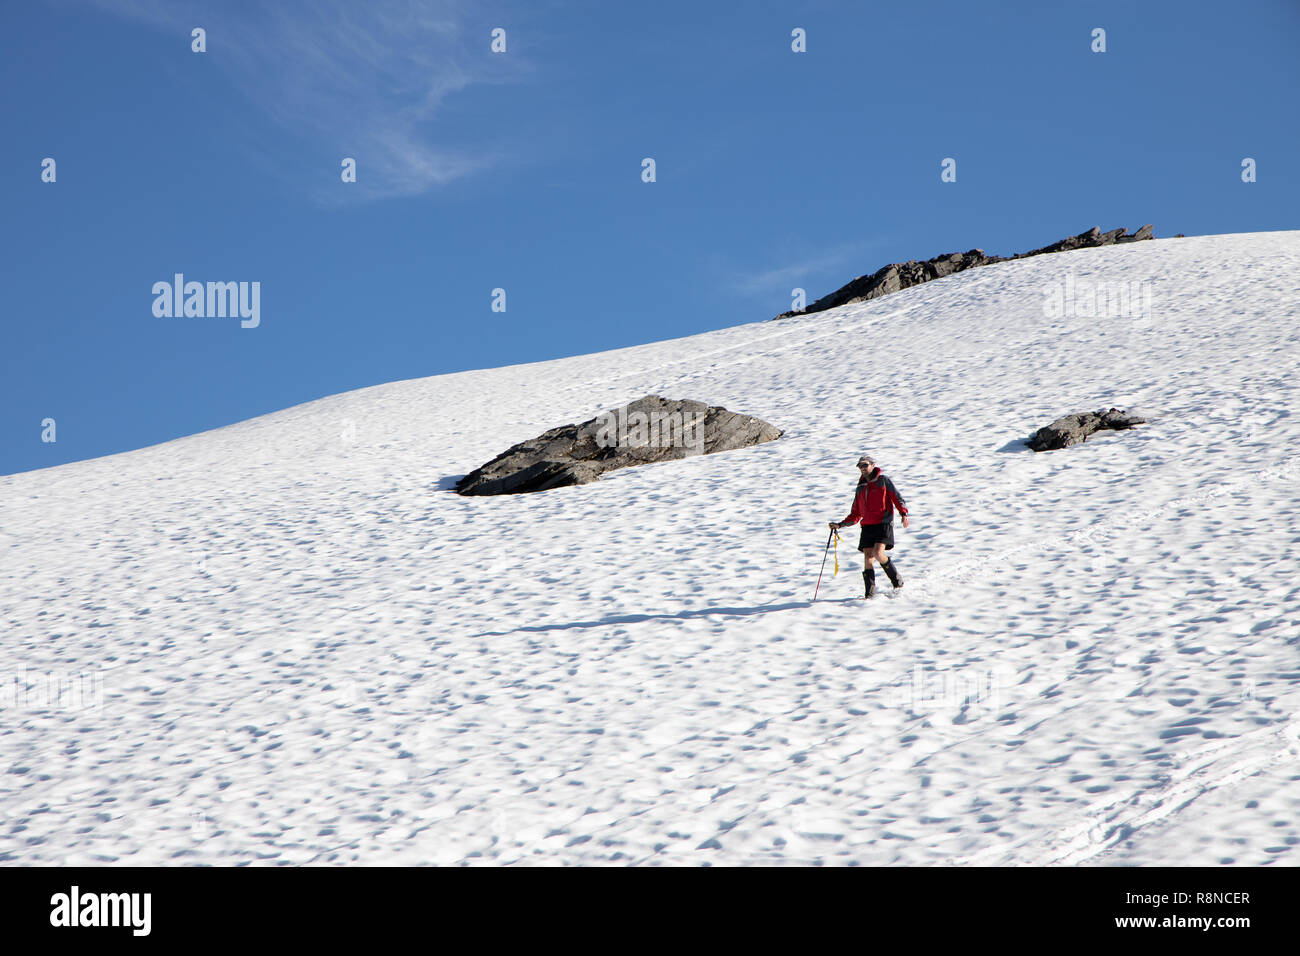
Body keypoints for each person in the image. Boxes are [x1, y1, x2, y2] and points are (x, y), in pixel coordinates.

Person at [829, 455, 910, 598]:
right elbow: (855, 513)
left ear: (873, 465)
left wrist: (903, 514)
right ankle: (869, 593)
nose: (862, 468)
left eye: (865, 465)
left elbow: (896, 498)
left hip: (883, 523)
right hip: (867, 526)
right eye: (860, 466)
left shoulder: (883, 481)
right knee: (868, 557)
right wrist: (840, 525)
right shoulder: (860, 487)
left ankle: (897, 582)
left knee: (878, 553)